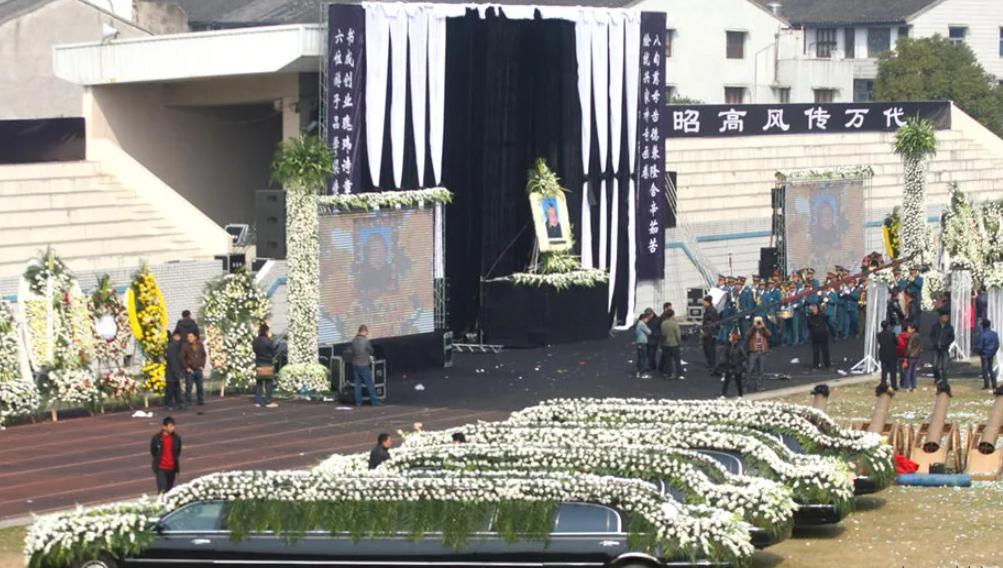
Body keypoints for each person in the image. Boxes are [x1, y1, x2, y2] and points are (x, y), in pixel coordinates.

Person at [350, 325, 382, 405]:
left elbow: (352, 352)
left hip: (355, 364)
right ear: (364, 331)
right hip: (363, 364)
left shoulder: (354, 340)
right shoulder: (365, 341)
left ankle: (358, 402)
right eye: (367, 332)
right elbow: (371, 351)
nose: (367, 334)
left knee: (357, 384)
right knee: (369, 384)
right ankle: (375, 401)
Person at [150, 416, 181, 494]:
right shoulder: (156, 438)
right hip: (161, 469)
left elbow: (178, 452)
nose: (172, 428)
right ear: (164, 427)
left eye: (173, 426)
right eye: (170, 426)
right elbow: (153, 451)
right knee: (162, 490)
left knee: (169, 491)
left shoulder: (176, 438)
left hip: (172, 469)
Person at [252, 323, 278, 408]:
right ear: (266, 331)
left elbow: (254, 350)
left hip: (259, 363)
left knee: (259, 383)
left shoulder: (256, 341)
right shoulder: (269, 341)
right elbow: (273, 352)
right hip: (267, 363)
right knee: (268, 383)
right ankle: (268, 401)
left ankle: (258, 401)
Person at [716, 330, 746, 398]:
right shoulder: (728, 346)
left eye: (730, 337)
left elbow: (744, 357)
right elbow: (725, 355)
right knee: (726, 381)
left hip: (737, 366)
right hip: (729, 366)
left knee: (738, 381)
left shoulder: (739, 347)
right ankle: (723, 394)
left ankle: (740, 394)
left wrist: (737, 361)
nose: (729, 338)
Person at [181, 331, 207, 406]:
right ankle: (188, 401)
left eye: (191, 336)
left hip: (199, 369)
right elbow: (182, 358)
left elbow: (203, 355)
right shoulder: (185, 346)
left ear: (195, 337)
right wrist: (187, 367)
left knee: (200, 386)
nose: (189, 338)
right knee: (189, 386)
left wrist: (202, 365)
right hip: (190, 370)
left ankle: (200, 400)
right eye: (188, 337)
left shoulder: (200, 345)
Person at [929, 312, 955, 385]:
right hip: (936, 348)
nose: (946, 319)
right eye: (944, 317)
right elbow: (931, 335)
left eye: (947, 317)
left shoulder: (950, 327)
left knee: (944, 367)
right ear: (940, 318)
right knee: (934, 365)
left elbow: (952, 337)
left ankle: (944, 382)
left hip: (945, 348)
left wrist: (946, 343)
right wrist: (935, 342)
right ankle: (938, 378)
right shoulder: (935, 326)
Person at [746, 316, 770, 392]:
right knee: (750, 369)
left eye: (760, 321)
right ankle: (747, 386)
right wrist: (754, 326)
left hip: (762, 351)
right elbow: (747, 334)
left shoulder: (763, 329)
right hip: (753, 351)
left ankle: (758, 386)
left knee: (761, 370)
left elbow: (769, 334)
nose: (758, 322)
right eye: (757, 321)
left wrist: (763, 327)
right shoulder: (752, 329)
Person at [659, 309, 683, 380]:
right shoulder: (674, 324)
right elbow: (678, 335)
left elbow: (663, 334)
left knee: (668, 360)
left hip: (666, 344)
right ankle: (678, 373)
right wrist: (679, 342)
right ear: (672, 315)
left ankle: (669, 373)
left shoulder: (663, 324)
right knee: (677, 360)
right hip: (674, 344)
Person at [164, 331, 184, 410]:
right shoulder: (173, 346)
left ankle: (177, 403)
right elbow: (173, 361)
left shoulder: (174, 345)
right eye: (178, 337)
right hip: (172, 372)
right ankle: (170, 404)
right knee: (172, 389)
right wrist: (177, 373)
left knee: (175, 388)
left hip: (173, 371)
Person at [807, 303, 831, 369]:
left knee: (825, 350)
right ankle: (816, 365)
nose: (814, 310)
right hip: (815, 336)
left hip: (823, 335)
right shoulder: (809, 317)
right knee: (815, 351)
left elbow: (828, 322)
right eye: (813, 309)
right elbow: (809, 325)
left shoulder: (823, 315)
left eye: (815, 309)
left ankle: (827, 364)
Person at [877, 320, 899, 390]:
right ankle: (894, 384)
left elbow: (880, 342)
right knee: (893, 371)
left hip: (883, 354)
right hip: (892, 354)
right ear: (888, 326)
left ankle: (883, 383)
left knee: (884, 370)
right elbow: (896, 342)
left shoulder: (879, 335)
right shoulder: (892, 334)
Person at [634, 310, 655, 379]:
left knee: (640, 358)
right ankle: (642, 372)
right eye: (646, 319)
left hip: (639, 342)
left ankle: (638, 372)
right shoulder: (642, 324)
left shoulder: (638, 323)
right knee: (643, 358)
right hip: (642, 342)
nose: (647, 320)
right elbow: (649, 332)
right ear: (644, 318)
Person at [979, 319, 999, 390]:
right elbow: (997, 344)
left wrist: (980, 352)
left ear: (983, 326)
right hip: (991, 353)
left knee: (985, 370)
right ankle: (994, 384)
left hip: (984, 353)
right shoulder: (994, 334)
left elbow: (980, 346)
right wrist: (994, 352)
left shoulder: (983, 334)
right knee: (990, 369)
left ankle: (986, 384)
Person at [701, 296, 719, 370]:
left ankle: (712, 364)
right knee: (708, 348)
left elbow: (712, 321)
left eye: (704, 302)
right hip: (708, 331)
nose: (703, 303)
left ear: (707, 302)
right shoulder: (708, 309)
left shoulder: (711, 310)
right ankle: (711, 363)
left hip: (710, 332)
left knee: (710, 348)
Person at [903, 323, 922, 391]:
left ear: (913, 329)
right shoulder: (918, 336)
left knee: (908, 371)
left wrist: (906, 356)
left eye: (909, 328)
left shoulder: (911, 337)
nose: (907, 329)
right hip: (917, 356)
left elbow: (909, 347)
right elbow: (920, 347)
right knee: (913, 372)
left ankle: (908, 386)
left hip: (911, 356)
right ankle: (914, 386)